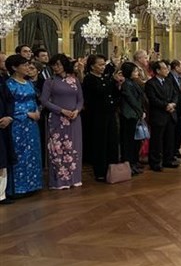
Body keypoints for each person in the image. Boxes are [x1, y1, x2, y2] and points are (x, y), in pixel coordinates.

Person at [41, 54, 84, 189]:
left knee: (75, 148)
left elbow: (80, 99)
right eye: (54, 65)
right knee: (58, 149)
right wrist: (62, 111)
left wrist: (77, 111)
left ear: (64, 65)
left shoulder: (74, 80)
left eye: (58, 64)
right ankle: (59, 181)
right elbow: (44, 100)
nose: (56, 67)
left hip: (74, 119)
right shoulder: (50, 81)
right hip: (57, 119)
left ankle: (74, 178)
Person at [5, 55, 43, 196]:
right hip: (18, 125)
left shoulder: (28, 83)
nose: (28, 68)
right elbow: (9, 107)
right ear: (15, 67)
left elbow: (34, 99)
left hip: (32, 124)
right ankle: (19, 187)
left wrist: (37, 111)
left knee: (33, 152)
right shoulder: (9, 84)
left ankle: (33, 185)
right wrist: (26, 114)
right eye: (25, 65)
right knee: (20, 153)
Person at [82, 54, 121, 182]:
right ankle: (100, 171)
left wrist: (117, 86)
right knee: (100, 143)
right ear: (92, 66)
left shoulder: (105, 78)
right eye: (100, 65)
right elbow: (99, 92)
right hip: (97, 116)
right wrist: (112, 81)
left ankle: (113, 169)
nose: (103, 67)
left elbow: (113, 94)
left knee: (112, 142)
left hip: (110, 114)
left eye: (104, 64)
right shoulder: (89, 79)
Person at [145, 61, 178, 171]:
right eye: (164, 68)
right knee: (156, 140)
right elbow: (152, 99)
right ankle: (155, 162)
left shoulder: (168, 81)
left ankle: (167, 160)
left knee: (169, 139)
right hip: (159, 115)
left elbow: (175, 94)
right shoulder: (151, 83)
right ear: (158, 71)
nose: (167, 70)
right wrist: (165, 105)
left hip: (170, 114)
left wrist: (173, 103)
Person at [119, 62, 145, 175]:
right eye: (134, 71)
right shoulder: (126, 84)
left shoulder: (134, 83)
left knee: (135, 141)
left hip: (135, 114)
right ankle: (128, 163)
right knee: (128, 141)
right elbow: (131, 100)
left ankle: (134, 161)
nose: (137, 73)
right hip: (129, 115)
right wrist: (140, 111)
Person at [0, 69, 16, 204]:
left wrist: (9, 116)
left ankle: (1, 194)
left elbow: (10, 99)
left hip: (2, 124)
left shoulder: (1, 80)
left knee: (2, 158)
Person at [168, 59, 181, 159]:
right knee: (173, 132)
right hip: (173, 109)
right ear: (176, 67)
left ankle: (176, 149)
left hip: (180, 109)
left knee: (180, 129)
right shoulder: (169, 78)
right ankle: (171, 152)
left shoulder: (179, 78)